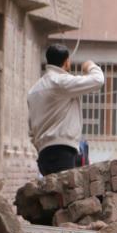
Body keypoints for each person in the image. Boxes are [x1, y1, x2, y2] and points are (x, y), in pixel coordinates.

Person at [28, 44, 104, 176]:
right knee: (65, 194)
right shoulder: (61, 82)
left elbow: (31, 128)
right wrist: (90, 65)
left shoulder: (34, 90)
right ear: (67, 62)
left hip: (43, 154)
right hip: (62, 153)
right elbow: (98, 80)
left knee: (51, 195)